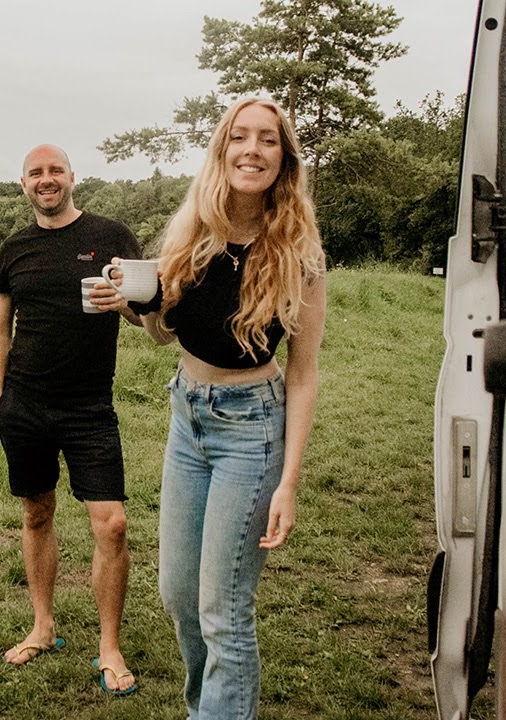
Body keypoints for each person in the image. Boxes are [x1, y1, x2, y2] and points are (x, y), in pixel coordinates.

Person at [96, 98, 326, 718]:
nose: (252, 150)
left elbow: (304, 374)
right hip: (188, 415)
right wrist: (135, 303)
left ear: (284, 159)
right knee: (179, 595)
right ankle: (209, 706)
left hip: (252, 428)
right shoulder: (190, 233)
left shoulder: (299, 252)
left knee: (223, 609)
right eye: (240, 137)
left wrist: (289, 482)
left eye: (268, 140)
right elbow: (165, 333)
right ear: (223, 149)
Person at [0, 144, 149, 696]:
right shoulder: (14, 248)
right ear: (24, 183)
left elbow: (150, 311)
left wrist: (122, 303)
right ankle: (42, 626)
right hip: (24, 405)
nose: (46, 179)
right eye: (36, 172)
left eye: (55, 170)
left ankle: (110, 646)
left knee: (112, 524)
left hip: (89, 408)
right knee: (36, 513)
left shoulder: (110, 235)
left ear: (73, 177)